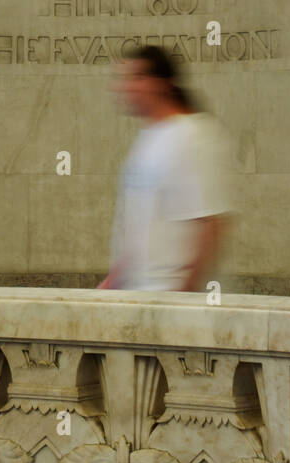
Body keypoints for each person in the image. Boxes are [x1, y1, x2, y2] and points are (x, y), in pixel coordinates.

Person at [98, 45, 234, 293]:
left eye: (135, 78)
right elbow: (137, 227)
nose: (123, 87)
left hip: (169, 301)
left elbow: (210, 225)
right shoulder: (147, 138)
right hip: (138, 297)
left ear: (161, 83)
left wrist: (180, 302)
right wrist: (112, 281)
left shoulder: (194, 136)